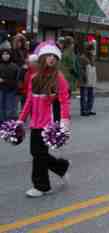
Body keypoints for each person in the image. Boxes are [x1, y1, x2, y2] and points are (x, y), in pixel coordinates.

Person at [17, 43, 71, 198]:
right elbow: (29, 101)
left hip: (49, 124)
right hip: (35, 122)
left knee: (39, 155)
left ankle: (42, 186)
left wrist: (64, 123)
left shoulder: (58, 78)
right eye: (49, 56)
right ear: (41, 58)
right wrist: (20, 120)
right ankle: (61, 167)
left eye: (54, 57)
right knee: (35, 152)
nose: (51, 59)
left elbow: (64, 101)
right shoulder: (34, 78)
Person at [0, 42, 19, 123]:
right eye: (3, 54)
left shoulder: (14, 66)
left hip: (11, 90)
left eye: (7, 54)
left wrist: (4, 81)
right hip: (1, 89)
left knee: (10, 108)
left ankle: (9, 124)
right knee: (1, 107)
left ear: (10, 55)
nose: (5, 56)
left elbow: (16, 80)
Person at [79, 45, 97, 116]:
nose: (93, 51)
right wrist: (84, 76)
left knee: (91, 95)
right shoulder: (82, 58)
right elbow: (81, 69)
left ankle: (89, 109)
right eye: (92, 50)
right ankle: (83, 110)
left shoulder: (92, 57)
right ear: (88, 50)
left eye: (93, 50)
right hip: (85, 78)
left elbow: (93, 67)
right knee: (83, 95)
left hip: (91, 78)